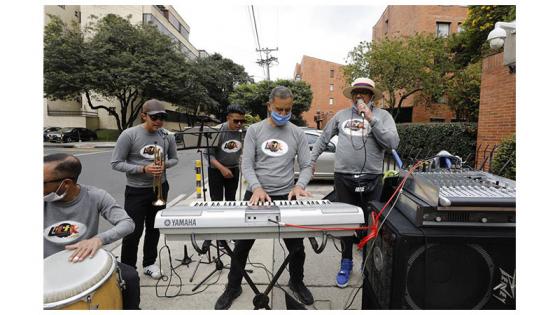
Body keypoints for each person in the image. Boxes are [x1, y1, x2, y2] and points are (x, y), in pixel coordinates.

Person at [215, 86, 315, 309]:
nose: (283, 113)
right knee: (241, 246)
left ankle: (296, 282)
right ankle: (233, 286)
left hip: (286, 194)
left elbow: (307, 165)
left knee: (297, 247)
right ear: (269, 106)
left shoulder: (297, 133)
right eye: (279, 108)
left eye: (288, 109)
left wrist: (300, 185)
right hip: (257, 194)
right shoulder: (255, 131)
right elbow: (246, 163)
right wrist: (257, 187)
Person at [310, 77, 400, 288]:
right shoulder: (341, 115)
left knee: (370, 224)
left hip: (371, 177)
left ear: (371, 97)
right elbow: (323, 139)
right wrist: (311, 160)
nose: (359, 96)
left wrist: (371, 119)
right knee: (345, 224)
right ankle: (346, 262)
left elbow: (392, 143)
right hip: (344, 177)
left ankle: (368, 264)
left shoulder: (383, 116)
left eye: (364, 92)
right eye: (356, 92)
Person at [43, 153, 140, 309]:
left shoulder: (95, 196)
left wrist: (99, 239)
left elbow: (127, 223)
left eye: (43, 183)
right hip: (47, 267)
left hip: (85, 262)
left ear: (66, 184)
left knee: (130, 277)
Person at [111, 99, 178, 279]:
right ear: (143, 116)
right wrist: (142, 169)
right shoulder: (129, 134)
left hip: (160, 188)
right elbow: (116, 163)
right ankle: (128, 269)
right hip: (136, 189)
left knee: (154, 228)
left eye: (162, 117)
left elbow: (174, 159)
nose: (159, 121)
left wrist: (164, 165)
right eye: (155, 117)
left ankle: (149, 263)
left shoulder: (167, 136)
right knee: (132, 230)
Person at [205, 104, 246, 202]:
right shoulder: (217, 131)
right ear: (228, 118)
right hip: (216, 170)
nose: (239, 124)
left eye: (242, 121)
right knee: (216, 200)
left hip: (234, 169)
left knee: (231, 200)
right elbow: (208, 154)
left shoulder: (244, 131)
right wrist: (222, 168)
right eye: (236, 121)